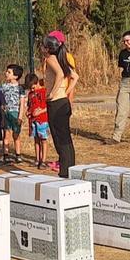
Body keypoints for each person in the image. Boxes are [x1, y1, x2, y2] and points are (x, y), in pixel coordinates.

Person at [43, 33, 78, 178]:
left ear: (48, 48)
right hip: (63, 102)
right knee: (66, 139)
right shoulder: (61, 58)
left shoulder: (50, 58)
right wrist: (66, 91)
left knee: (59, 139)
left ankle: (64, 173)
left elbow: (60, 75)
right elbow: (75, 76)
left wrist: (52, 93)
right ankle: (70, 170)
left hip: (56, 104)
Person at [0, 64, 27, 163]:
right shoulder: (3, 86)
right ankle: (5, 154)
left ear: (16, 76)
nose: (6, 73)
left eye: (9, 72)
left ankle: (18, 154)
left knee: (16, 135)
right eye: (7, 71)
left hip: (15, 113)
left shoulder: (20, 88)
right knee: (6, 134)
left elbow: (22, 102)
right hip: (6, 113)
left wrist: (20, 116)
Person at [26, 74, 53, 171]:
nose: (32, 90)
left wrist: (40, 111)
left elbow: (48, 107)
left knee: (43, 140)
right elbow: (29, 106)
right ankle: (37, 158)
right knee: (36, 139)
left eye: (33, 87)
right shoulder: (30, 94)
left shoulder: (44, 92)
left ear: (37, 83)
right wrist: (28, 112)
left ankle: (43, 160)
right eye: (30, 88)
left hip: (42, 120)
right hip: (33, 120)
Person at [48, 30, 78, 102]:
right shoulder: (49, 58)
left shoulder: (67, 57)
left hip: (60, 97)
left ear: (59, 43)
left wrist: (67, 95)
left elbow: (72, 78)